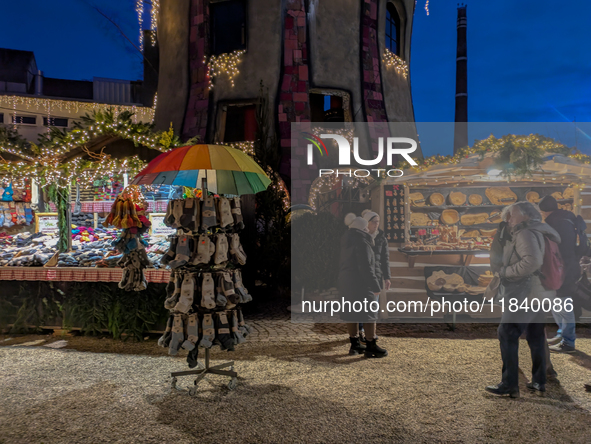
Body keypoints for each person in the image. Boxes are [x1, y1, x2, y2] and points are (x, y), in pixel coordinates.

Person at [485, 202, 560, 398]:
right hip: (540, 291)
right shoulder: (541, 230)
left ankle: (509, 384)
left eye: (512, 215)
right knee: (536, 335)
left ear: (526, 216)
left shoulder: (525, 232)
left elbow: (532, 261)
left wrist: (505, 272)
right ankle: (539, 381)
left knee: (507, 332)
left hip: (526, 291)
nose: (508, 219)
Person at [339, 213, 388, 358]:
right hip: (361, 284)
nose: (368, 229)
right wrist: (375, 286)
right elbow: (366, 267)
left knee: (351, 313)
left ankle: (355, 344)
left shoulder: (346, 240)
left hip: (347, 282)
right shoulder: (362, 242)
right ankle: (371, 345)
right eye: (366, 226)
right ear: (361, 228)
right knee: (369, 314)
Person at [538, 195, 578, 353]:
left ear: (544, 211)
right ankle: (562, 334)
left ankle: (568, 342)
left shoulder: (552, 223)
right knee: (557, 303)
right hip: (567, 266)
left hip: (561, 269)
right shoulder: (568, 218)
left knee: (563, 304)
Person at [356, 210, 392, 343]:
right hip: (361, 276)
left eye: (378, 222)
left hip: (376, 275)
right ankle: (360, 330)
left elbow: (385, 259)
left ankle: (370, 333)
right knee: (361, 304)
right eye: (374, 222)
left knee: (373, 306)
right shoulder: (360, 236)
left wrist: (387, 277)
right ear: (367, 222)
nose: (377, 224)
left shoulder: (381, 237)